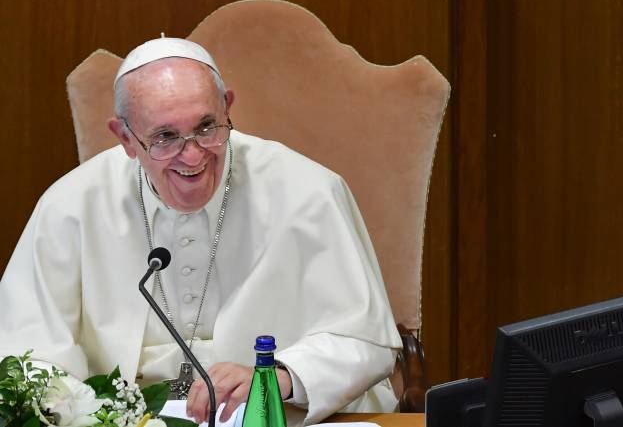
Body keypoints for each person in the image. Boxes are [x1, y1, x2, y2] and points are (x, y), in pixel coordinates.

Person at [0, 38, 402, 426]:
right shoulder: (71, 205)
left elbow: (365, 340)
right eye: (165, 137)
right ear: (125, 137)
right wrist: (92, 416)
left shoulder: (309, 192)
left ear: (227, 107)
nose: (192, 156)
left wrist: (278, 378)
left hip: (277, 418)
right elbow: (24, 355)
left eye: (207, 127)